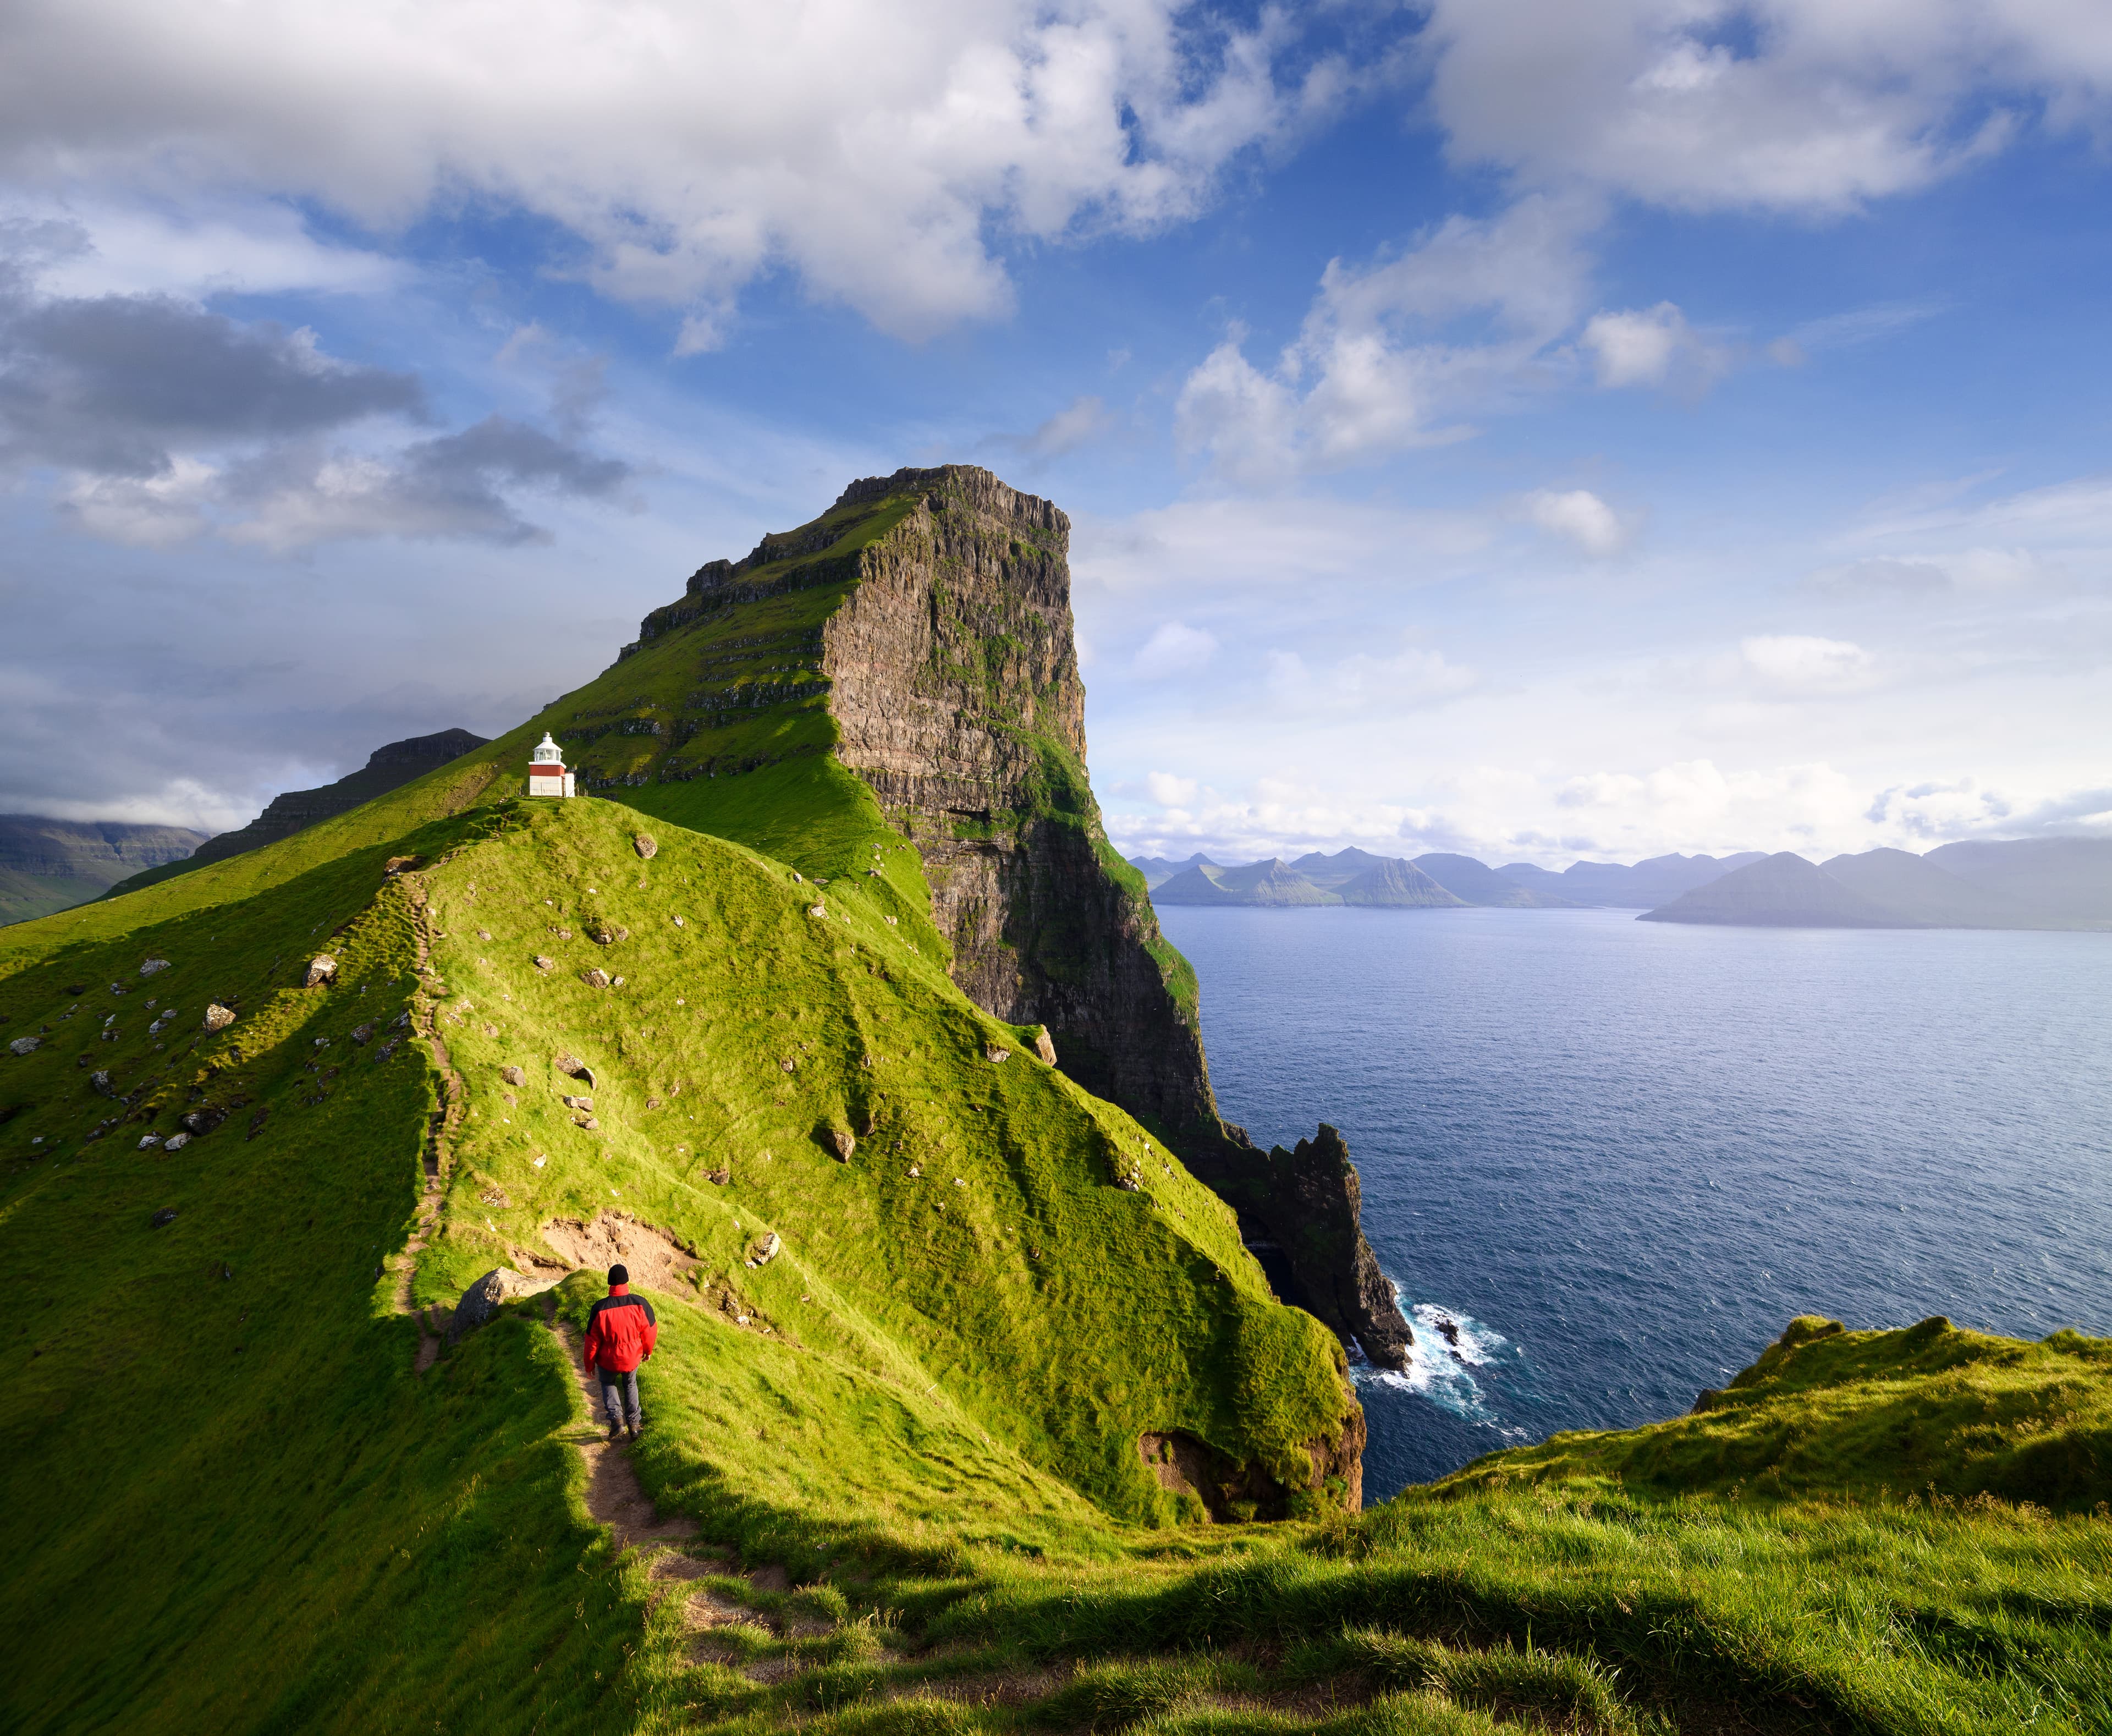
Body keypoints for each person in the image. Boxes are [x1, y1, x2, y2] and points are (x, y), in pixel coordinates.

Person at [582, 1262, 657, 1442]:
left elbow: (592, 1341)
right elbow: (650, 1330)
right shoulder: (640, 1304)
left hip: (608, 1360)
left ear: (610, 1283)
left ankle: (617, 1421)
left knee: (608, 1383)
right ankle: (635, 1425)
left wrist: (589, 1364)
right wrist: (648, 1351)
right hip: (632, 1358)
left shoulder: (599, 1309)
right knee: (630, 1384)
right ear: (626, 1281)